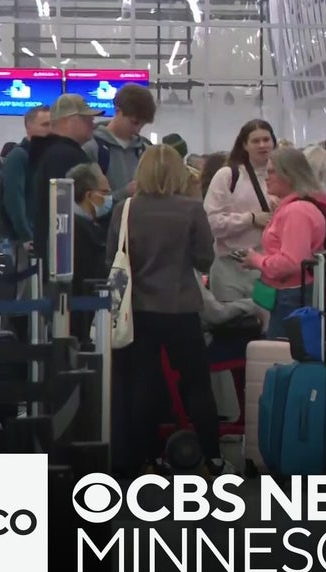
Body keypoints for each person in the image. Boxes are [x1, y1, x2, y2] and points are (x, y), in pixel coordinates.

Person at [106, 145, 225, 477]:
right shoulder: (190, 209)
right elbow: (205, 259)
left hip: (139, 310)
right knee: (197, 383)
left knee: (143, 384)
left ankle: (143, 457)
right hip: (181, 307)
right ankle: (213, 457)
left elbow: (111, 261)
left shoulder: (124, 209)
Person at [240, 147, 326, 338]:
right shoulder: (297, 207)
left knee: (282, 357)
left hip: (291, 298)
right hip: (291, 295)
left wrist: (257, 261)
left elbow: (292, 262)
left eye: (271, 172)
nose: (266, 177)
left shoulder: (297, 212)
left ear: (289, 174)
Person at [203, 119, 277, 302]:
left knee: (267, 327)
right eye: (255, 141)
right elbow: (210, 223)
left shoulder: (283, 177)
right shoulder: (228, 176)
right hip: (229, 267)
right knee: (232, 326)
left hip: (266, 267)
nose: (262, 145)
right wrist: (250, 219)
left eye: (266, 139)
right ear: (244, 144)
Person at [30, 94, 100, 261]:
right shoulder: (64, 157)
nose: (93, 123)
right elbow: (72, 208)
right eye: (86, 118)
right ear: (69, 121)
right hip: (66, 256)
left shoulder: (52, 153)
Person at [83, 83, 156, 208]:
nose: (137, 130)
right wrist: (125, 193)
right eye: (134, 123)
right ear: (118, 111)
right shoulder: (92, 147)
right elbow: (86, 202)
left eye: (142, 125)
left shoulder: (145, 150)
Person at [63, 162, 112, 346]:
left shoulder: (80, 224)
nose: (109, 198)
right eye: (105, 192)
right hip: (84, 319)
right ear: (89, 195)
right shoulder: (79, 229)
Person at [1, 105, 51, 253]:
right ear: (29, 127)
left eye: (52, 125)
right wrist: (26, 236)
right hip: (26, 241)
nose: (49, 130)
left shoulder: (44, 157)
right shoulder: (19, 156)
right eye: (44, 125)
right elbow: (14, 199)